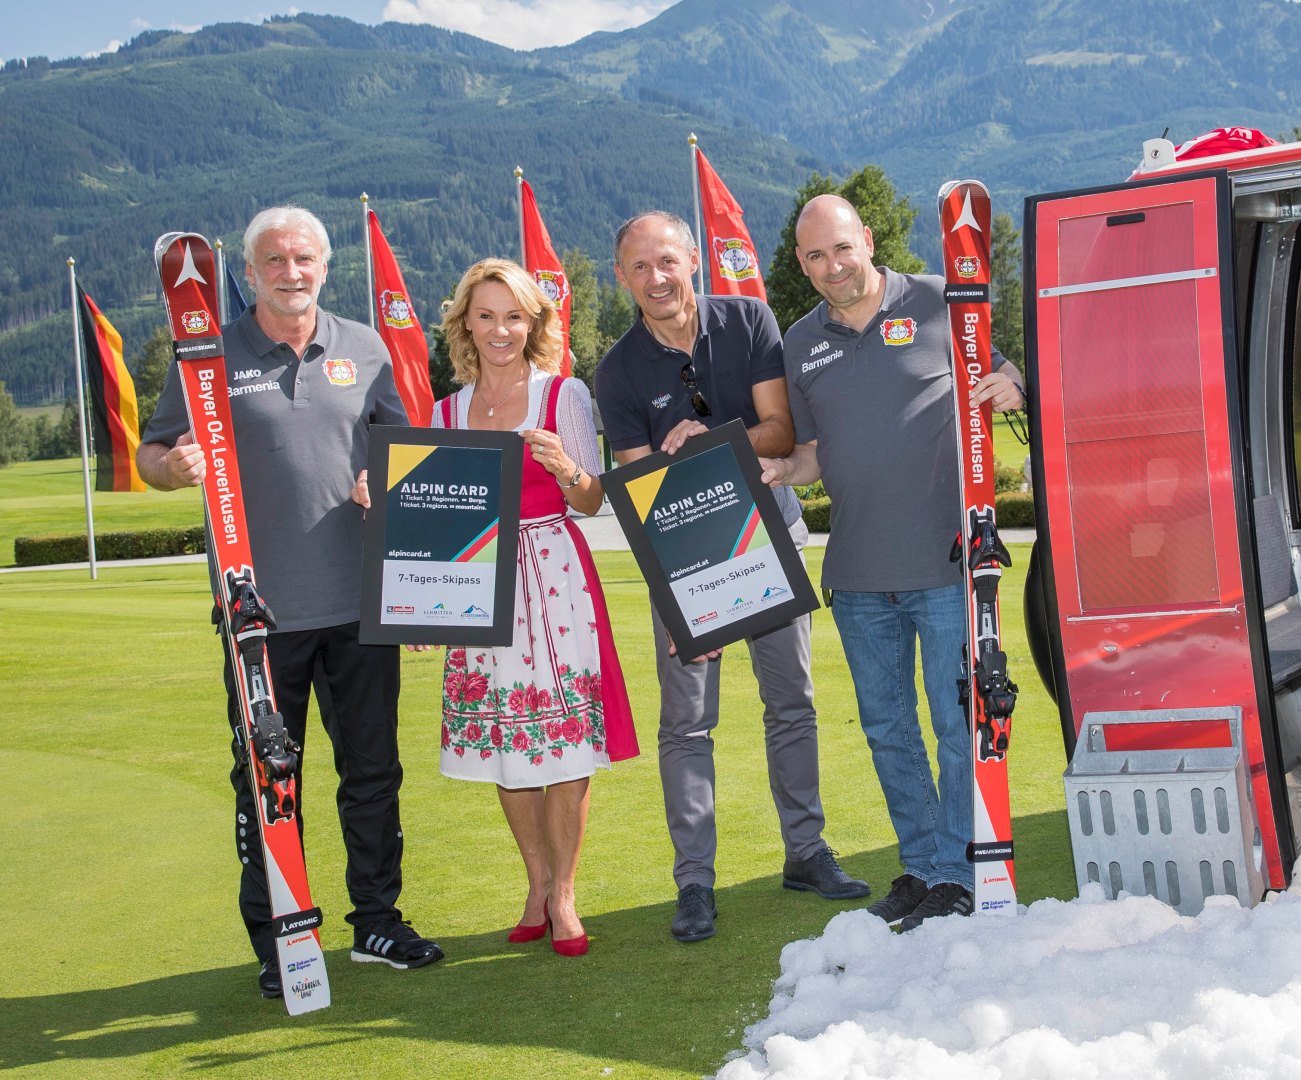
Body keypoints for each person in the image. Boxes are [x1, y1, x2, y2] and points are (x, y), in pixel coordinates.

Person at [137, 206, 443, 998]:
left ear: (325, 265)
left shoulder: (364, 346)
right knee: (268, 780)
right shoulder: (208, 355)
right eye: (273, 260)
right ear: (251, 269)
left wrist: (389, 479)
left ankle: (377, 917)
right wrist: (176, 469)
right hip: (257, 616)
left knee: (373, 771)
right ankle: (280, 934)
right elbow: (152, 453)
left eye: (303, 258)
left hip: (360, 606)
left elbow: (401, 449)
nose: (290, 271)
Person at [595, 211, 868, 944]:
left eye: (668, 262)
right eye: (640, 268)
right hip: (685, 562)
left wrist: (711, 440)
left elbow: (780, 432)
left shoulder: (747, 319)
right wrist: (686, 596)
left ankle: (806, 853)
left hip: (769, 538)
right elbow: (637, 487)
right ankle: (694, 883)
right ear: (622, 278)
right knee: (686, 724)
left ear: (693, 260)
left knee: (793, 703)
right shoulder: (617, 370)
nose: (657, 279)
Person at [762, 195, 1025, 930]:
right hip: (856, 576)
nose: (831, 266)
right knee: (887, 730)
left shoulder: (944, 301)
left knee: (951, 725)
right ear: (801, 263)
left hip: (946, 565)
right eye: (814, 256)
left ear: (867, 239)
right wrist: (784, 471)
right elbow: (814, 453)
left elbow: (1008, 378)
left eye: (842, 248)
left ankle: (957, 870)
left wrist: (1013, 385)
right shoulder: (801, 340)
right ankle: (921, 867)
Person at [424, 258, 641, 957]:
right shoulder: (445, 412)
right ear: (465, 324)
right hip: (480, 583)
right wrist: (428, 608)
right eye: (485, 315)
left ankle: (568, 894)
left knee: (564, 741)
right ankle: (536, 885)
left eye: (514, 315)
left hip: (553, 575)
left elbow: (592, 499)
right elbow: (441, 518)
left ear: (534, 322)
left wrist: (565, 465)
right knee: (504, 746)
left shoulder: (563, 395)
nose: (500, 329)